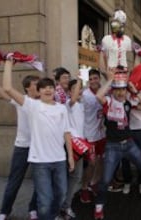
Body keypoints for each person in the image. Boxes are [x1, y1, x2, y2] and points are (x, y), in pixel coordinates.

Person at [2, 57, 74, 220]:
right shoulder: (32, 105)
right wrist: (8, 63)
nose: (48, 90)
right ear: (39, 91)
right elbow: (7, 87)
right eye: (44, 88)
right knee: (44, 200)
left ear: (54, 90)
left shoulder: (62, 108)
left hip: (59, 160)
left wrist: (70, 156)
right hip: (40, 162)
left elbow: (67, 132)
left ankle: (53, 215)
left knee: (61, 194)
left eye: (51, 87)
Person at [93, 69, 141, 219]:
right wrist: (110, 79)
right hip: (112, 146)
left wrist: (134, 91)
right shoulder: (108, 101)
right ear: (113, 90)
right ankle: (99, 205)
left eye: (123, 89)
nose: (120, 93)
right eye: (117, 89)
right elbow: (98, 96)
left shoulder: (128, 102)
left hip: (129, 144)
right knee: (106, 178)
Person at [0, 64, 39, 220]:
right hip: (22, 148)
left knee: (40, 183)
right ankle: (4, 211)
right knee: (14, 182)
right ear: (27, 88)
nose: (40, 87)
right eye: (36, 85)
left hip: (39, 148)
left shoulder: (46, 101)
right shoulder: (21, 100)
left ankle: (33, 209)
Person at [60, 77, 87, 219]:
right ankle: (64, 207)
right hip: (72, 145)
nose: (79, 91)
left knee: (75, 177)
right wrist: (78, 80)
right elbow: (74, 97)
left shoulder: (81, 105)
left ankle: (65, 205)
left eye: (81, 88)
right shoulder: (68, 105)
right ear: (69, 92)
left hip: (80, 145)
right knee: (72, 177)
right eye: (76, 89)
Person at [80, 69, 107, 203]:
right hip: (89, 135)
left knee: (101, 160)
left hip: (102, 133)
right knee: (91, 163)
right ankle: (84, 188)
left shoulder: (105, 91)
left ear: (99, 79)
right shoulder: (85, 94)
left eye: (95, 78)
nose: (93, 81)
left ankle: (94, 183)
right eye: (91, 79)